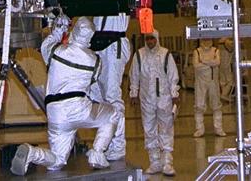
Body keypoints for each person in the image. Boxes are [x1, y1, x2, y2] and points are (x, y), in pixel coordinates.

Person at [11, 16, 123, 175]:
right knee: (113, 113)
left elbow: (46, 44)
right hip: (80, 108)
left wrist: (59, 29)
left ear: (74, 31)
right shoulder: (95, 60)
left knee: (57, 161)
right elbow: (93, 80)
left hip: (55, 113)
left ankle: (33, 153)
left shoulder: (56, 51)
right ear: (90, 37)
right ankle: (97, 153)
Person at [130, 30, 179, 176]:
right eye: (148, 39)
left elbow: (172, 76)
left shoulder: (165, 54)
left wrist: (174, 94)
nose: (150, 41)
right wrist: (133, 93)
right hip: (146, 99)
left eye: (152, 39)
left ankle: (167, 163)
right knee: (149, 129)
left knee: (166, 128)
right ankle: (155, 162)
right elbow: (134, 75)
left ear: (157, 39)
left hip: (164, 98)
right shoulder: (139, 55)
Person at [90, 13, 131, 162]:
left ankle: (118, 145)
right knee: (98, 98)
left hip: (114, 43)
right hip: (98, 44)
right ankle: (105, 142)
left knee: (112, 96)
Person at [192, 38, 225, 137]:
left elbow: (217, 62)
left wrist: (204, 61)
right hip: (200, 82)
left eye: (208, 39)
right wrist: (211, 63)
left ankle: (218, 128)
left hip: (213, 82)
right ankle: (199, 129)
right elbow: (196, 65)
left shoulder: (216, 51)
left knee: (216, 105)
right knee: (199, 105)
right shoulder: (197, 52)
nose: (206, 41)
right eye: (204, 39)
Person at [218, 38, 236, 103]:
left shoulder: (219, 42)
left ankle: (223, 94)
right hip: (226, 65)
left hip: (220, 64)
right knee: (230, 80)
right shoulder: (227, 42)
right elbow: (231, 49)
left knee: (222, 80)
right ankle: (224, 94)